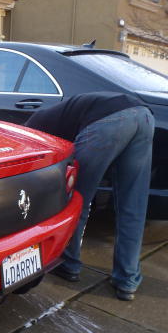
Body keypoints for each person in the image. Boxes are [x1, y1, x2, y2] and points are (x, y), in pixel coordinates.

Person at [25, 92, 154, 301]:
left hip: (108, 122)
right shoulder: (57, 114)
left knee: (77, 199)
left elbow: (36, 168)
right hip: (144, 116)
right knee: (133, 206)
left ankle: (68, 264)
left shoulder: (31, 129)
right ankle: (127, 280)